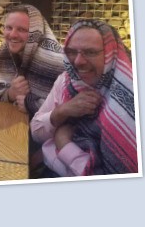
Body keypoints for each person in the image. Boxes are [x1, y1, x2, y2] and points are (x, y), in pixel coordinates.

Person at [30, 20, 138, 176]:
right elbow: (36, 132)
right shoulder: (67, 80)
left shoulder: (129, 98)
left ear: (111, 54)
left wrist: (64, 144)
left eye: (90, 52)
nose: (78, 61)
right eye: (72, 52)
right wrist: (61, 111)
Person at [0, 4, 64, 118]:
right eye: (9, 28)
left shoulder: (57, 63)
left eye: (21, 29)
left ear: (36, 33)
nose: (13, 35)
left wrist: (31, 105)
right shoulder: (4, 55)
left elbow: (69, 108)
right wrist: (10, 93)